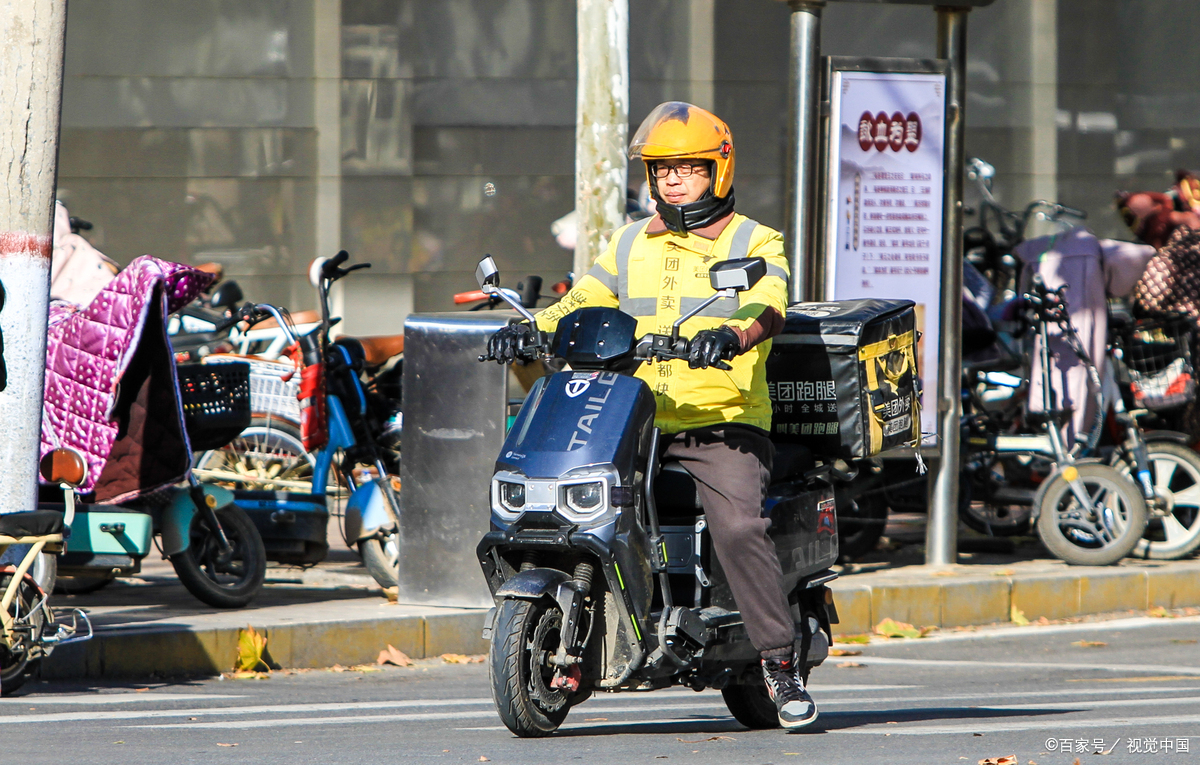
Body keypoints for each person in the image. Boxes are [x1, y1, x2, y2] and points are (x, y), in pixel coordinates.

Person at [487, 101, 815, 730]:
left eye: (688, 168)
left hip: (719, 421)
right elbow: (587, 298)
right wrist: (532, 328)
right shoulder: (630, 239)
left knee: (738, 527)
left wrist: (733, 334)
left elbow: (769, 301)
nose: (673, 180)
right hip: (629, 415)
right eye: (663, 169)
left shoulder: (755, 240)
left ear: (718, 171)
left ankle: (779, 664)